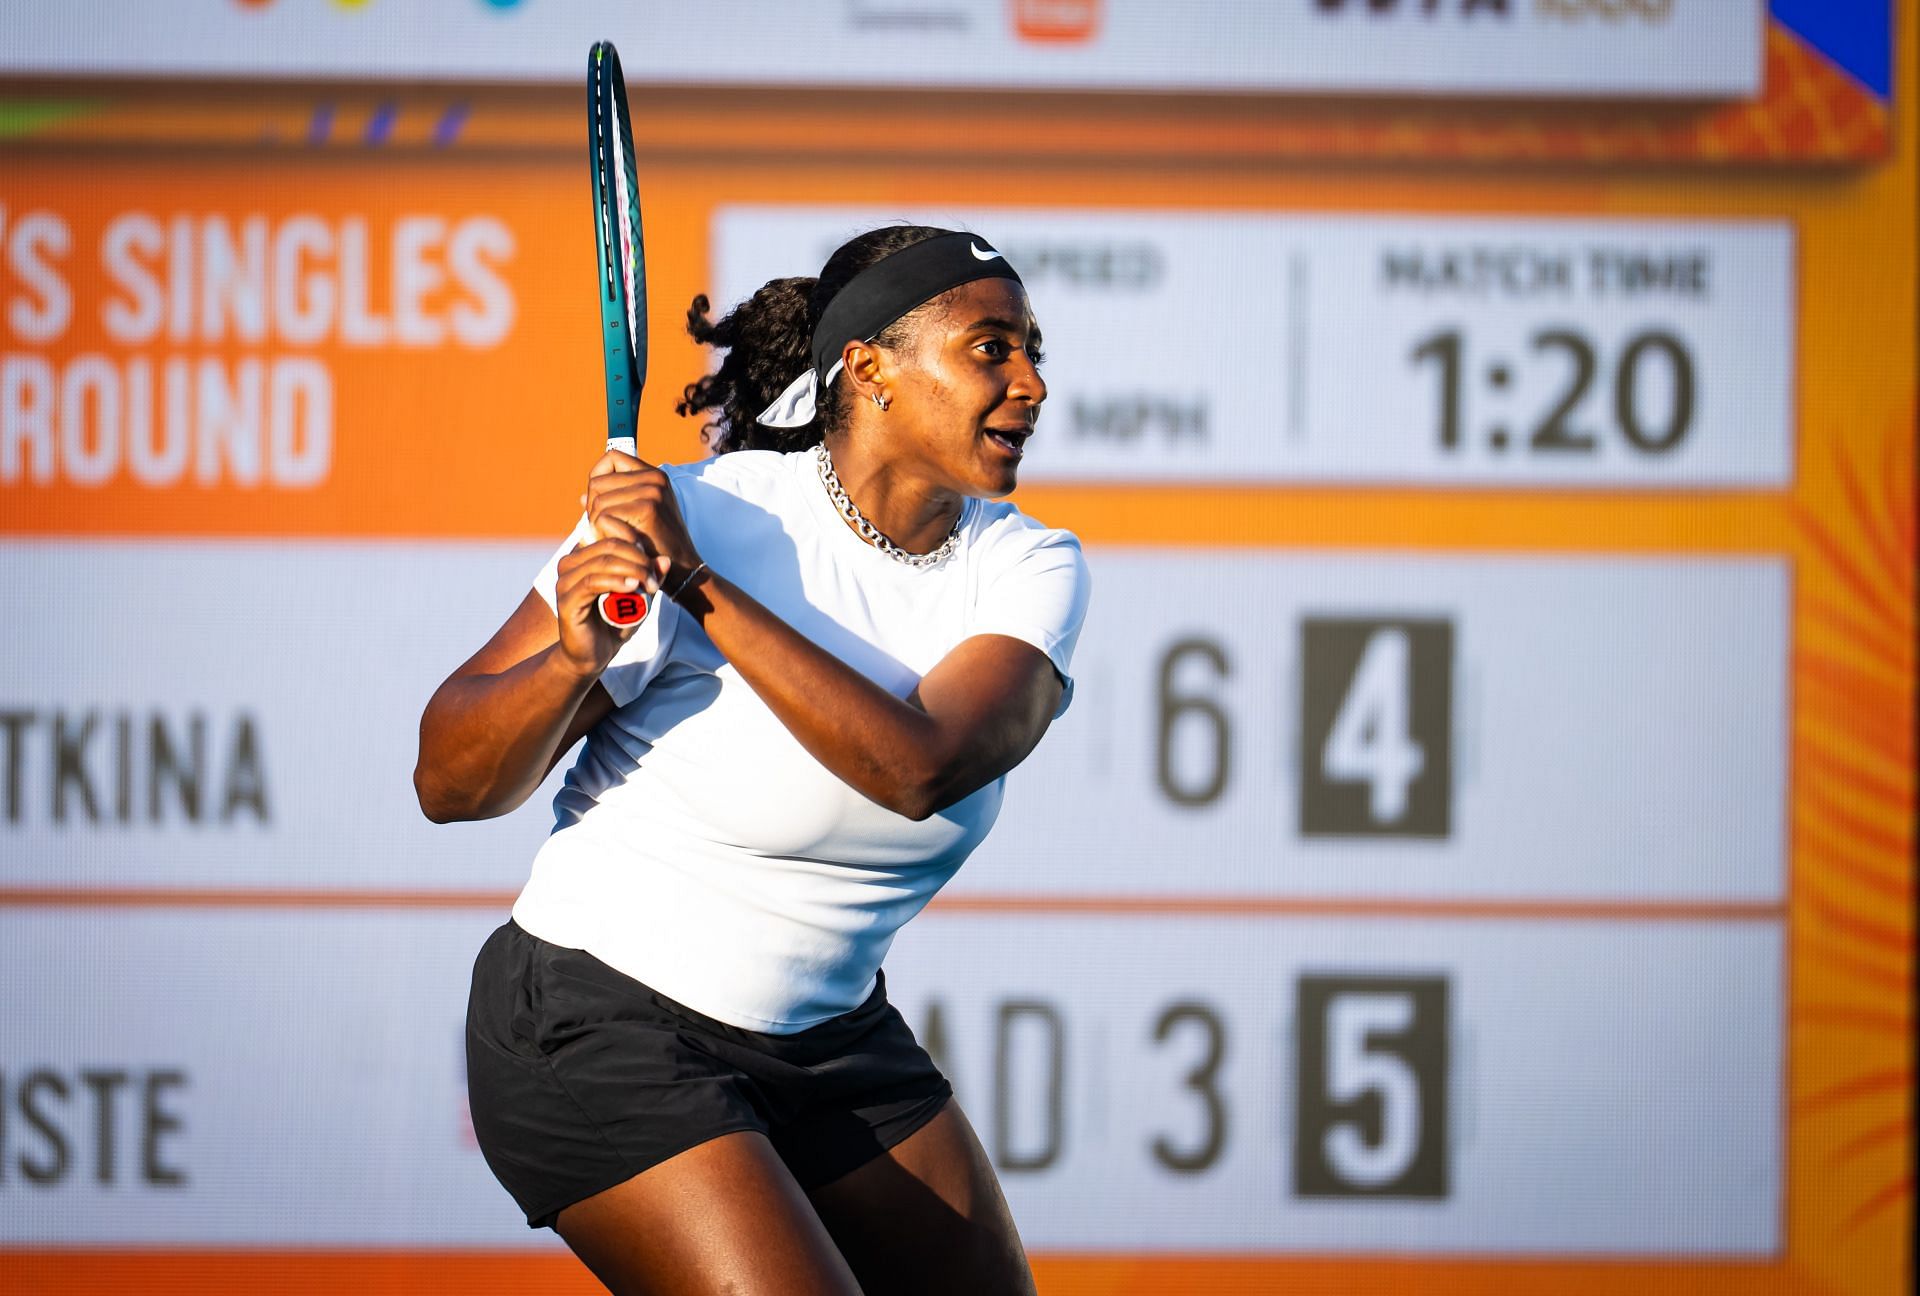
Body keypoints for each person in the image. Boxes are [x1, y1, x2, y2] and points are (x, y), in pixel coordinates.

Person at [415, 225, 1090, 1295]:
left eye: (1034, 348)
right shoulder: (713, 514)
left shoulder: (1029, 566)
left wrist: (695, 586)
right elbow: (448, 785)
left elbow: (919, 769)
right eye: (991, 349)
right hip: (596, 1018)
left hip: (825, 1037)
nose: (1034, 383)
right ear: (868, 369)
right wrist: (571, 662)